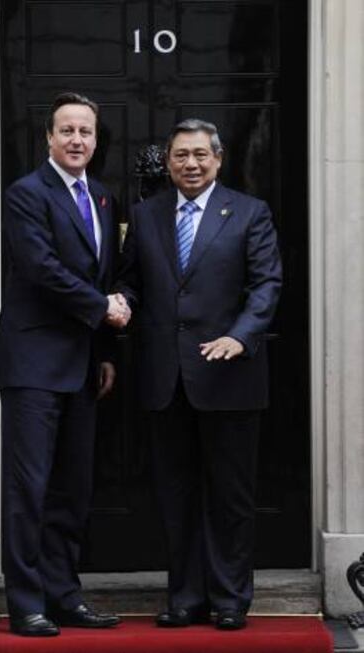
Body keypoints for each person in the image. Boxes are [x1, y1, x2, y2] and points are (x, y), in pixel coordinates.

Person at [117, 119, 282, 630]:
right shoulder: (146, 216)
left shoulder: (250, 212)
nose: (190, 164)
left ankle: (230, 599)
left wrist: (241, 334)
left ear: (218, 158)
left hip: (229, 377)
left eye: (199, 155)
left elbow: (267, 283)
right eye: (180, 156)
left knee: (230, 497)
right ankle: (185, 597)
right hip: (166, 378)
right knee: (176, 496)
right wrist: (121, 302)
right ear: (168, 162)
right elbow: (132, 281)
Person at [0, 92, 130, 636]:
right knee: (31, 488)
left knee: (73, 487)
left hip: (83, 364)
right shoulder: (26, 194)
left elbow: (102, 276)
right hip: (32, 363)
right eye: (66, 130)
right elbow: (41, 268)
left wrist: (105, 349)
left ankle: (65, 595)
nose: (76, 140)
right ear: (49, 138)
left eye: (85, 132)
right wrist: (102, 309)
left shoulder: (104, 198)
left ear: (96, 140)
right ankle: (26, 603)